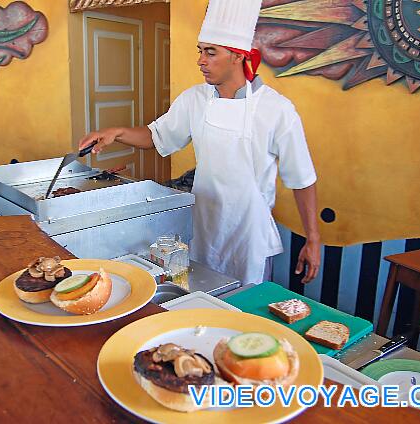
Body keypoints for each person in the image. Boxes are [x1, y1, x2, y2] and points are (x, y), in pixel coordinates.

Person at [78, 0, 320, 285]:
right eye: (200, 51)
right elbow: (157, 136)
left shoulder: (277, 110)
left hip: (249, 234)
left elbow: (302, 178)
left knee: (242, 312)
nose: (200, 60)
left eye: (210, 52)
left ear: (237, 56)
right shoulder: (195, 99)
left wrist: (313, 239)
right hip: (203, 225)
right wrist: (117, 132)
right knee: (203, 300)